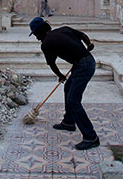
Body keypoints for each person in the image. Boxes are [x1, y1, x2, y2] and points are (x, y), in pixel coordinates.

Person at [29, 17, 99, 150]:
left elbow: (52, 64)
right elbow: (83, 36)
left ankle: (91, 137)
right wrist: (89, 45)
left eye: (36, 34)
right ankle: (69, 122)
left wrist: (60, 75)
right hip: (85, 62)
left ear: (39, 32)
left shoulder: (46, 44)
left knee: (74, 100)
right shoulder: (64, 29)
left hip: (83, 66)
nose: (36, 38)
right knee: (68, 88)